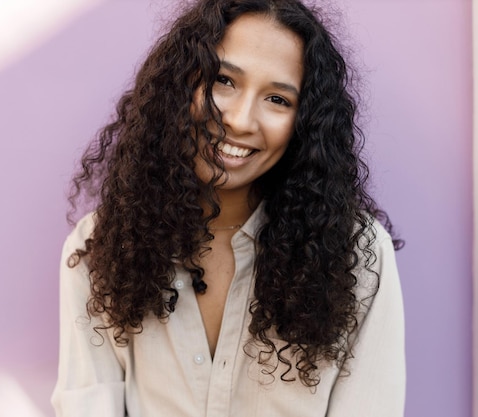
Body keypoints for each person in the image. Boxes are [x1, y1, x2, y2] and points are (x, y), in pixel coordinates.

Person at [51, 0, 405, 416]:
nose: (239, 120)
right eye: (223, 80)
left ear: (304, 123)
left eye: (277, 98)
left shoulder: (356, 256)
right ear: (179, 85)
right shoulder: (102, 246)